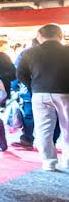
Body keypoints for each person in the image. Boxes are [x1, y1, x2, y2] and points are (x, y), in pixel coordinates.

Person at [15, 24, 69, 171]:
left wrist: (33, 86)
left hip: (40, 93)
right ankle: (68, 160)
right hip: (65, 92)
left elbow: (20, 73)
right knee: (67, 127)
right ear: (61, 36)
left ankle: (49, 162)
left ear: (39, 36)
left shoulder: (29, 52)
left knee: (44, 129)